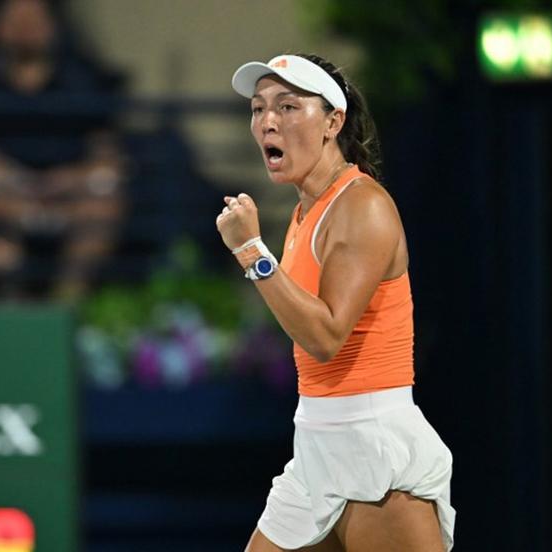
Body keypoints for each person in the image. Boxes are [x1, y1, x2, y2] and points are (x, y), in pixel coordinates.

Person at [216, 54, 455, 551]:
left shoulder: (362, 206)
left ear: (333, 121)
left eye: (288, 106)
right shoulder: (308, 211)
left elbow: (325, 336)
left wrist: (250, 251)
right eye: (259, 109)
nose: (268, 121)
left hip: (378, 452)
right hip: (316, 445)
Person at [0, 0, 125, 300]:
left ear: (52, 27)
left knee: (104, 200)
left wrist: (65, 180)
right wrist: (18, 181)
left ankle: (66, 302)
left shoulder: (81, 82)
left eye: (33, 18)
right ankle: (13, 296)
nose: (25, 28)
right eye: (16, 18)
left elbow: (106, 156)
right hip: (7, 194)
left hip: (66, 195)